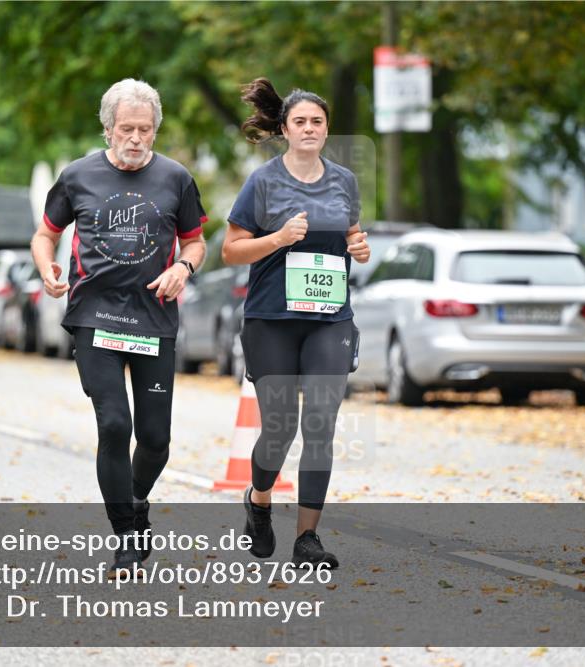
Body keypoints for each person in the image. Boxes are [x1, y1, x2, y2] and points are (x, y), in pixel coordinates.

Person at [31, 79, 207, 570]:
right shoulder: (77, 176)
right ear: (108, 129)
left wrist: (183, 268)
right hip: (96, 317)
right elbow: (45, 234)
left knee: (154, 439)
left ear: (155, 131)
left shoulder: (176, 179)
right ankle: (126, 531)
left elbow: (195, 242)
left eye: (145, 130)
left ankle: (137, 500)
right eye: (126, 128)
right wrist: (47, 268)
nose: (136, 138)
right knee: (114, 423)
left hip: (153, 318)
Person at [222, 78, 371, 568]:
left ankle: (308, 538)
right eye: (300, 121)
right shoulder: (263, 182)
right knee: (280, 427)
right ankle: (259, 501)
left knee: (321, 423)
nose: (309, 128)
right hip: (272, 319)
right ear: (285, 129)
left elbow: (350, 235)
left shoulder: (344, 181)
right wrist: (279, 238)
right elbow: (231, 250)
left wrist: (359, 247)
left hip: (329, 318)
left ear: (326, 130)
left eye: (317, 122)